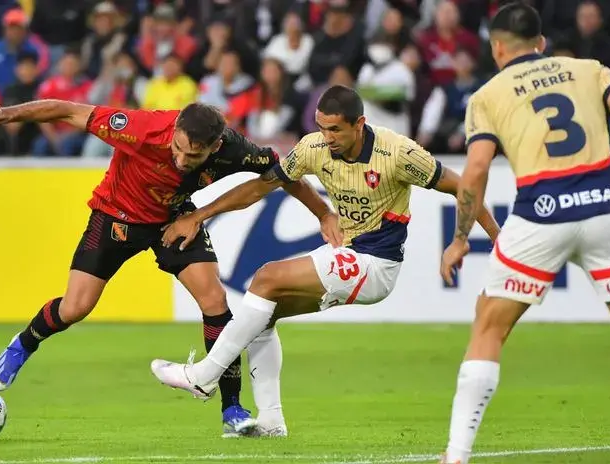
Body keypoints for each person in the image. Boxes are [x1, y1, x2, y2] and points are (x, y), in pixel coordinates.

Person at [0, 94, 338, 437]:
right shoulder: (141, 129)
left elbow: (283, 173)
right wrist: (3, 115)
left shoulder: (235, 149)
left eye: (193, 157)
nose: (181, 160)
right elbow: (68, 110)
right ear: (173, 131)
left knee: (215, 301)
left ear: (215, 146)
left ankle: (232, 409)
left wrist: (322, 212)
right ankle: (25, 343)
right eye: (177, 149)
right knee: (76, 307)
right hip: (115, 217)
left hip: (173, 220)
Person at [149, 85, 501, 436]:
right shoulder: (313, 148)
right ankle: (271, 421)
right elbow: (259, 187)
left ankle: (203, 375)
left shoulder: (398, 153)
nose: (327, 137)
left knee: (266, 277)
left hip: (376, 264)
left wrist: (479, 240)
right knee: (263, 312)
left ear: (359, 123)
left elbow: (464, 185)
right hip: (347, 253)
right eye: (321, 127)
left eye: (335, 129)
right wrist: (199, 216)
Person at [436, 4, 610, 464]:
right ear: (541, 43)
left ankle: (456, 456)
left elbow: (475, 170)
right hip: (602, 209)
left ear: (496, 48)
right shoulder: (588, 69)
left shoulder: (487, 95)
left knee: (489, 327)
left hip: (540, 214)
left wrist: (459, 238)